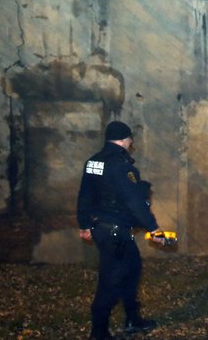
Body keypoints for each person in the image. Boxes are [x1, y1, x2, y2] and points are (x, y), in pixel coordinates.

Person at [77, 120, 166, 340]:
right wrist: (153, 228)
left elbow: (85, 195)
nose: (131, 142)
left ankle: (132, 319)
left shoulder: (93, 162)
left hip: (101, 228)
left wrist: (84, 224)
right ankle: (99, 331)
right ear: (125, 139)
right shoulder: (122, 166)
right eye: (130, 139)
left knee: (132, 269)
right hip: (115, 231)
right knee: (112, 278)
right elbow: (134, 201)